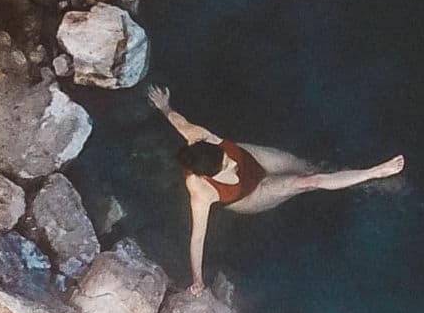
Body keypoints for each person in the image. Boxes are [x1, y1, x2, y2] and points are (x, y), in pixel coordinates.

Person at [146, 85, 406, 293]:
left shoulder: (199, 136)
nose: (231, 164)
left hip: (254, 157)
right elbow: (198, 238)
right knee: (308, 182)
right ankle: (374, 174)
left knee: (307, 167)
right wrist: (197, 279)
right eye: (225, 167)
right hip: (252, 195)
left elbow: (178, 121)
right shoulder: (200, 191)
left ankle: (340, 174)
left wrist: (164, 106)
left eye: (225, 157)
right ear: (206, 176)